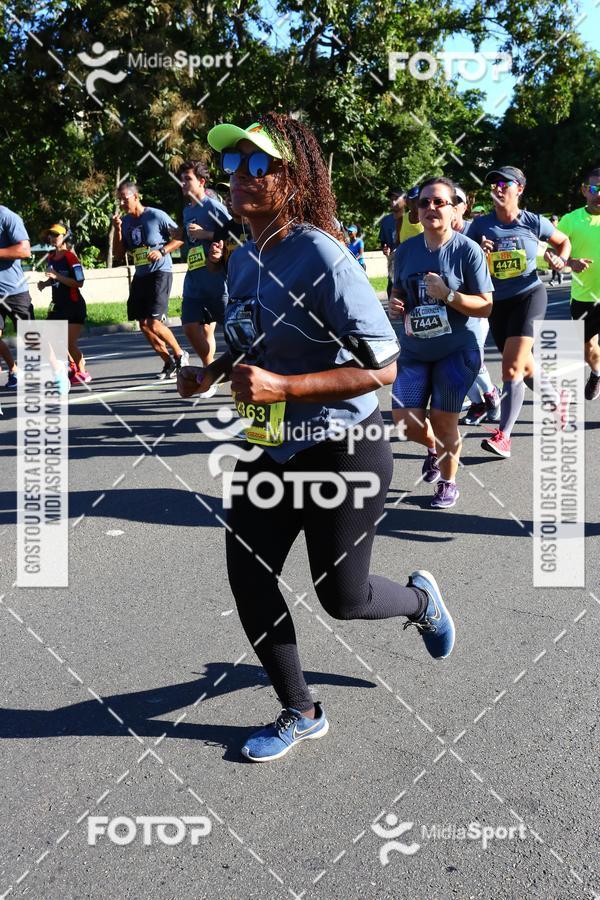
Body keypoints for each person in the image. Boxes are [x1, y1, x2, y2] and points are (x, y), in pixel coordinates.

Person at [178, 113, 456, 763]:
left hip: (343, 445)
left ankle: (421, 602)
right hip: (271, 444)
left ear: (292, 177)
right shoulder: (244, 257)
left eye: (259, 165)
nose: (240, 177)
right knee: (249, 573)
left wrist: (283, 386)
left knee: (343, 597)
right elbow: (249, 340)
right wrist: (210, 372)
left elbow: (383, 366)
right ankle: (300, 710)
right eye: (233, 164)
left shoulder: (322, 254)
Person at [389, 177, 493, 509]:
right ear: (416, 211)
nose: (430, 207)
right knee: (404, 421)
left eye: (439, 202)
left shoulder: (467, 250)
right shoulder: (406, 251)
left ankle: (448, 483)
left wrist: (448, 295)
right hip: (415, 350)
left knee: (443, 419)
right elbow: (398, 289)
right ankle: (433, 449)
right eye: (424, 202)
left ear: (453, 210)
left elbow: (486, 305)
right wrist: (395, 303)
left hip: (456, 350)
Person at [467, 166, 571, 458]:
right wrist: (478, 252)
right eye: (494, 184)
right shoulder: (480, 226)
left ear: (520, 189)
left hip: (529, 296)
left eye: (505, 183)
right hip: (497, 304)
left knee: (511, 368)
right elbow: (465, 259)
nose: (498, 188)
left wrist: (561, 260)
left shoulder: (533, 221)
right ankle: (556, 400)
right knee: (524, 369)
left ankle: (504, 437)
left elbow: (563, 241)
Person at [111, 181, 188, 380]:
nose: (121, 203)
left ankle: (180, 354)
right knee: (143, 324)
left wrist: (162, 251)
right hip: (141, 275)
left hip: (160, 272)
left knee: (153, 322)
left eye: (124, 199)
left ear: (136, 197)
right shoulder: (125, 222)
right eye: (119, 200)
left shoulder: (156, 215)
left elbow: (180, 237)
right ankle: (168, 362)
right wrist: (117, 229)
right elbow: (118, 254)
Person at [173, 161, 229, 379]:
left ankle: (251, 370)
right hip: (194, 280)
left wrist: (206, 234)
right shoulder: (187, 210)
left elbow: (233, 234)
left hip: (217, 280)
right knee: (189, 326)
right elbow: (191, 241)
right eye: (181, 179)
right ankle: (210, 372)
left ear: (201, 182)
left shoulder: (213, 207)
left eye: (188, 179)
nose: (183, 183)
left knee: (233, 332)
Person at [453, 185, 501, 425]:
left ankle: (490, 394)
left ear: (464, 207)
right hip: (447, 310)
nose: (450, 205)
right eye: (445, 200)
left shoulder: (476, 230)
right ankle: (479, 402)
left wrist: (483, 254)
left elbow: (495, 269)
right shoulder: (434, 235)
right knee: (455, 361)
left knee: (471, 358)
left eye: (456, 201)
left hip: (474, 308)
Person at [558, 168, 600, 399]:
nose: (599, 194)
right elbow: (550, 253)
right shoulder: (570, 220)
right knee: (588, 348)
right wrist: (569, 262)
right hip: (584, 297)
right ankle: (596, 373)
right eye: (594, 188)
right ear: (584, 190)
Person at [36, 223, 91, 384]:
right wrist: (45, 283)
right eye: (51, 235)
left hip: (73, 305)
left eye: (56, 235)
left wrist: (56, 276)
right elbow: (55, 279)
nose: (52, 237)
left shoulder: (70, 257)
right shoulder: (51, 257)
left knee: (68, 343)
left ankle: (83, 372)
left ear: (65, 237)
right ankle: (72, 366)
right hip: (57, 306)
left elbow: (79, 282)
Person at [0, 204, 32, 387]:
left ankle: (58, 369)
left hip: (14, 291)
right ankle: (14, 370)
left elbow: (24, 250)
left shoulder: (7, 217)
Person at [379, 188, 405, 298]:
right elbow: (384, 242)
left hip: (409, 263)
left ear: (405, 200)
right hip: (393, 264)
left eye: (396, 199)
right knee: (393, 292)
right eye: (391, 200)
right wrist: (385, 249)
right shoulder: (385, 221)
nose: (393, 202)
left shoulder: (412, 218)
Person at [547, 215, 564, 286]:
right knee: (552, 263)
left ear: (557, 221)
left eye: (553, 220)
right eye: (551, 220)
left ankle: (554, 278)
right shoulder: (549, 228)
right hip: (550, 247)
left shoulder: (560, 228)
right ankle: (557, 276)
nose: (552, 222)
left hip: (557, 248)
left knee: (554, 263)